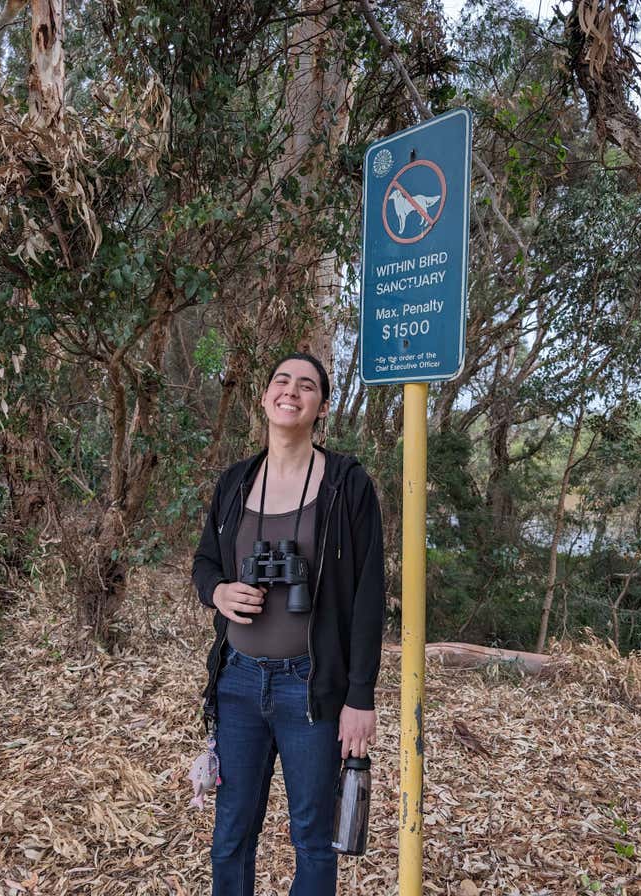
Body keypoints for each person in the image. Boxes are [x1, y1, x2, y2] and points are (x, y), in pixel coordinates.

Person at [192, 352, 385, 896]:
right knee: (232, 832)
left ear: (321, 407)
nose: (291, 392)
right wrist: (220, 591)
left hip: (311, 689)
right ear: (264, 397)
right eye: (281, 381)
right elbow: (204, 563)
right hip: (237, 683)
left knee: (313, 838)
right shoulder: (235, 482)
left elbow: (370, 596)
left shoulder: (346, 485)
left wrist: (360, 697)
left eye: (307, 386)